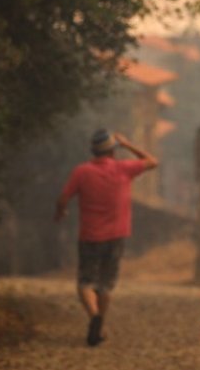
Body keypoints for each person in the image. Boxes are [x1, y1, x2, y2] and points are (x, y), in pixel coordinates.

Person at [54, 129, 158, 346]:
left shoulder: (81, 172)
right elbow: (152, 161)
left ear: (93, 151)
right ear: (113, 150)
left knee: (85, 282)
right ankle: (99, 325)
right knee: (105, 284)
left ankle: (94, 316)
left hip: (90, 236)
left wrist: (60, 212)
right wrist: (127, 144)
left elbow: (63, 198)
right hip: (116, 237)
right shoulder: (124, 168)